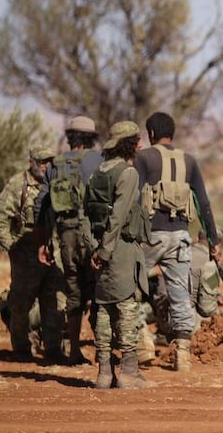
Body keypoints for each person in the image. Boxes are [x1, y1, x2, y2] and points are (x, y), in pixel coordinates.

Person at [135, 111, 220, 372]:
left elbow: (135, 198)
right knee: (180, 293)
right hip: (181, 236)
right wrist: (213, 240)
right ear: (172, 133)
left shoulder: (143, 157)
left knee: (130, 286)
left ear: (150, 134)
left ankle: (142, 343)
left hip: (150, 235)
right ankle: (183, 355)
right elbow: (203, 203)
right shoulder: (190, 161)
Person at [85, 121, 151, 389]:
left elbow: (88, 215)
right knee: (126, 307)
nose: (141, 145)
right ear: (128, 144)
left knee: (102, 308)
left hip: (99, 248)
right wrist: (106, 250)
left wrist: (95, 249)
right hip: (120, 249)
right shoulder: (128, 174)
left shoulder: (98, 173)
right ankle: (129, 373)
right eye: (137, 141)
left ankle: (104, 373)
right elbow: (119, 215)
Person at [0, 146, 66, 364]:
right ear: (30, 161)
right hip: (26, 255)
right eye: (41, 161)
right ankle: (22, 350)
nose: (45, 166)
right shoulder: (18, 185)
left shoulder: (57, 183)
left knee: (54, 302)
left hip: (53, 254)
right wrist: (10, 247)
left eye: (49, 162)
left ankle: (53, 350)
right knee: (21, 304)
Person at [45, 115, 103, 365]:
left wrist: (43, 242)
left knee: (73, 292)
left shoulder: (55, 164)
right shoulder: (99, 161)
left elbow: (45, 206)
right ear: (91, 137)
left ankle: (74, 350)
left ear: (70, 138)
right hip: (92, 233)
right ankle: (103, 352)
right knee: (100, 290)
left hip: (65, 234)